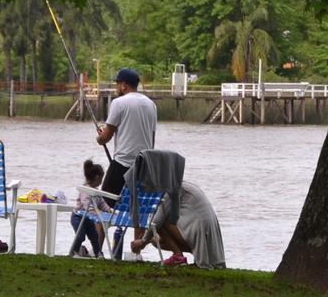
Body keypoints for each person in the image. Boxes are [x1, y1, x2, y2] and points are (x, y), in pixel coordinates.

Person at [95, 67, 157, 250]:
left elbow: (105, 137)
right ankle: (136, 251)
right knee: (139, 209)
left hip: (122, 163)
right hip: (145, 164)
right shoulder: (151, 105)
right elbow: (151, 139)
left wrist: (99, 137)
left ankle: (96, 248)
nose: (116, 87)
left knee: (101, 203)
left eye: (117, 84)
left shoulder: (119, 103)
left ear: (123, 85)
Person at [131, 181, 225, 269]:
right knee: (155, 241)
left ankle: (178, 257)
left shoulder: (171, 190)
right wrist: (148, 240)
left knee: (160, 224)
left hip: (199, 233)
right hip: (208, 238)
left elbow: (156, 222)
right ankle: (187, 256)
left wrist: (143, 241)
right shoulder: (186, 185)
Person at [68, 159, 110, 258]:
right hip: (78, 216)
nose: (101, 182)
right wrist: (93, 210)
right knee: (80, 235)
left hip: (89, 218)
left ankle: (98, 253)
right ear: (97, 177)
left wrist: (107, 209)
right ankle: (74, 251)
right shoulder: (85, 190)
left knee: (94, 236)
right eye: (101, 179)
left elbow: (102, 203)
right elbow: (86, 203)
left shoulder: (96, 192)